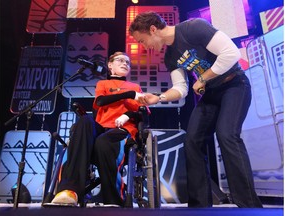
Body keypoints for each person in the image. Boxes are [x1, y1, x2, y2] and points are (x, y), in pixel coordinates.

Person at [129, 11, 263, 208]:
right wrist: (158, 98)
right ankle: (200, 206)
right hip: (211, 94)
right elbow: (181, 89)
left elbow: (231, 54)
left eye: (142, 40)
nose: (144, 46)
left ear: (152, 29)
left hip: (234, 85)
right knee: (192, 141)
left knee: (226, 135)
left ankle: (249, 206)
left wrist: (202, 78)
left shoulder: (193, 28)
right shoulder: (170, 56)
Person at [51, 51, 148, 207]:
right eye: (120, 60)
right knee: (84, 121)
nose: (125, 63)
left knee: (103, 142)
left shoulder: (135, 87)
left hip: (122, 130)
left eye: (128, 62)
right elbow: (101, 101)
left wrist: (128, 114)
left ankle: (113, 199)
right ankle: (70, 191)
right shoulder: (103, 85)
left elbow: (143, 112)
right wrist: (127, 95)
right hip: (101, 128)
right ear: (110, 65)